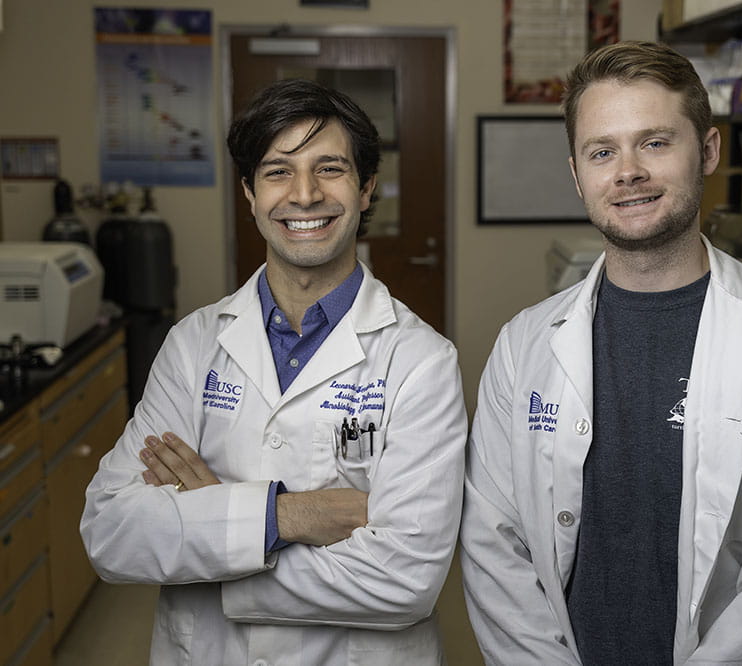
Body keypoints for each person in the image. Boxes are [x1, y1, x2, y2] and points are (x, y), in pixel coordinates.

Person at [460, 41, 742, 665]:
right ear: (578, 175)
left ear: (706, 151)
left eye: (654, 142)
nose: (627, 172)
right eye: (602, 152)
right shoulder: (525, 346)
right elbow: (494, 552)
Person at [81, 79, 467, 665]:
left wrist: (210, 525)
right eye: (278, 170)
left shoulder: (421, 361)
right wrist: (285, 515)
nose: (304, 194)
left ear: (365, 190)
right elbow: (112, 532)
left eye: (329, 168)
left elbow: (404, 581)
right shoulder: (193, 346)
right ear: (250, 193)